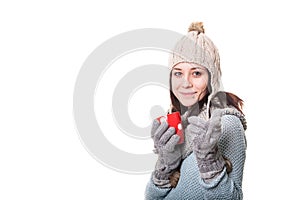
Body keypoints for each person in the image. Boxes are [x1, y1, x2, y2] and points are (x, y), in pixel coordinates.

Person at [145, 22, 247, 200]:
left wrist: (210, 162)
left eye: (196, 73)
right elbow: (152, 197)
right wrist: (165, 165)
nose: (185, 83)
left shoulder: (227, 124)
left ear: (211, 78)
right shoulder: (179, 125)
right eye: (177, 73)